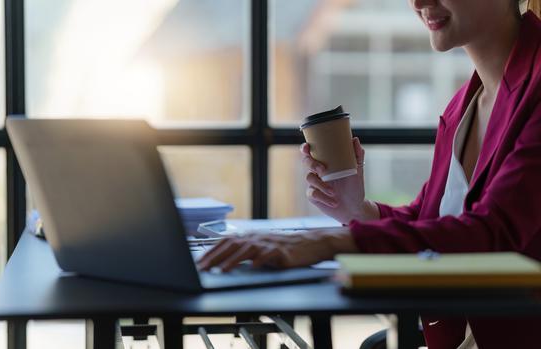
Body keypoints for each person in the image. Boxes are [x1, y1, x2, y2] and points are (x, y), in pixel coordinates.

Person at [199, 0, 541, 347]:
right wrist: (358, 211)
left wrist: (330, 243)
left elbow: (494, 232)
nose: (419, 3)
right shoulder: (465, 103)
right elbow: (432, 221)